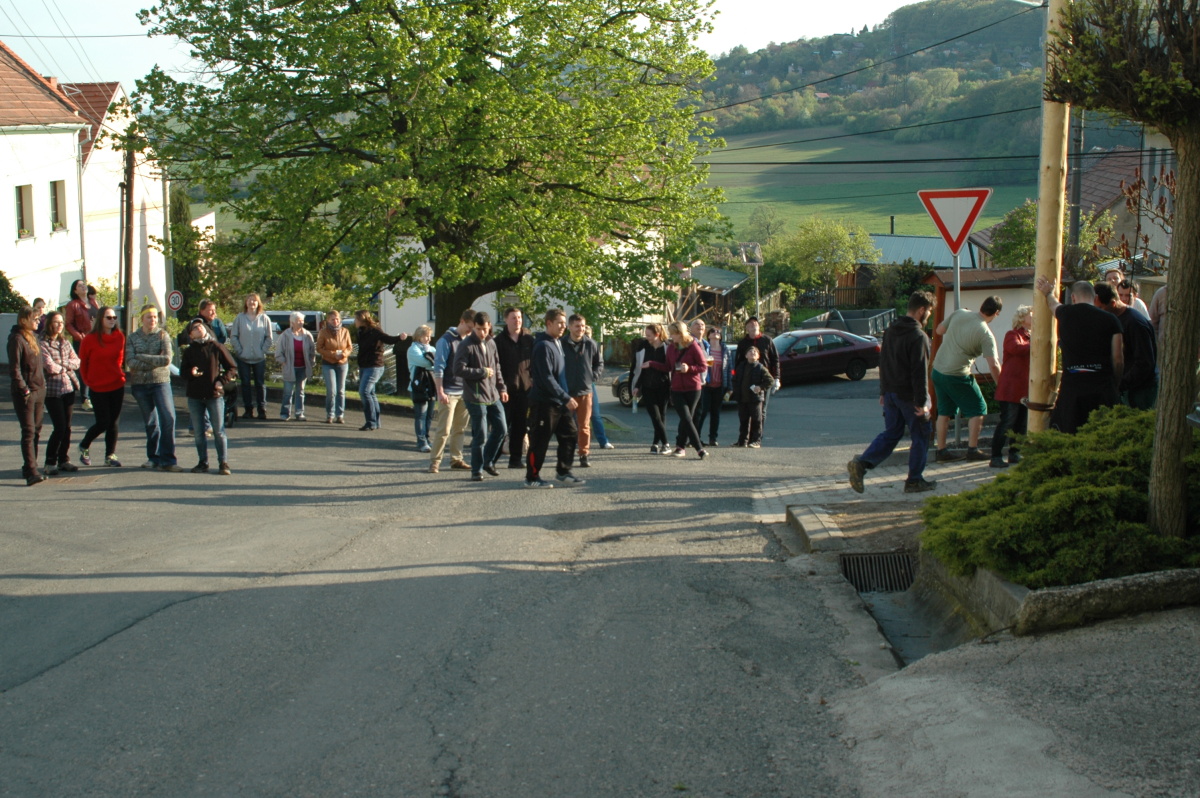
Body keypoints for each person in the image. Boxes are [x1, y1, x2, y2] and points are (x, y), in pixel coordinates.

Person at [847, 291, 938, 494]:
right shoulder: (919, 336)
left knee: (892, 433)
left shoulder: (890, 330)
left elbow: (884, 362)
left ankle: (862, 463)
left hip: (890, 394)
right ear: (921, 310)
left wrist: (883, 390)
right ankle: (914, 480)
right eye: (929, 311)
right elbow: (919, 372)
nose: (929, 315)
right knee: (921, 435)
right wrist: (922, 403)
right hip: (910, 396)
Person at [1035, 277, 1124, 434]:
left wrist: (1048, 293)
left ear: (1073, 298)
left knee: (1071, 435)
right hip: (1103, 387)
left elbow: (1053, 304)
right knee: (1104, 435)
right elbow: (1118, 359)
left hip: (1073, 389)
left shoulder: (1065, 314)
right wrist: (1114, 384)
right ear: (1095, 298)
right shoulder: (1111, 319)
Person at [931, 296, 1003, 462]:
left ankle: (941, 451)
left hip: (938, 370)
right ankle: (972, 450)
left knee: (944, 412)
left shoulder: (960, 313)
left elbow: (939, 331)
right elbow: (994, 365)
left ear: (982, 306)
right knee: (978, 409)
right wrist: (1001, 386)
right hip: (957, 375)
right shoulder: (986, 334)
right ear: (996, 313)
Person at [525, 308, 583, 487]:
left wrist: (564, 397)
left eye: (564, 323)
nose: (563, 326)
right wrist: (565, 397)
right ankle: (532, 477)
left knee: (570, 434)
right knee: (539, 441)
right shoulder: (543, 346)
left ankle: (563, 471)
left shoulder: (557, 342)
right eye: (559, 323)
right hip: (544, 403)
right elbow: (546, 378)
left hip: (560, 402)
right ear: (548, 323)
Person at [125, 304, 181, 471]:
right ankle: (153, 457)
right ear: (142, 319)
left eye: (155, 317)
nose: (153, 320)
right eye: (149, 317)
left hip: (160, 382)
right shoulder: (132, 338)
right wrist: (153, 361)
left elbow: (166, 360)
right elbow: (130, 362)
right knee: (151, 422)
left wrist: (141, 357)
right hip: (140, 385)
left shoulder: (163, 335)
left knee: (168, 418)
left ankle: (168, 460)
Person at [454, 311, 508, 482]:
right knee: (481, 434)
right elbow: (458, 369)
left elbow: (497, 367)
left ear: (489, 326)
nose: (482, 333)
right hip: (475, 396)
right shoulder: (466, 345)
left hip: (492, 394)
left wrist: (502, 388)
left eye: (484, 329)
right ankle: (476, 470)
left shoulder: (491, 342)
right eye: (478, 329)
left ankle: (488, 461)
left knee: (501, 428)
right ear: (474, 327)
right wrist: (481, 372)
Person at [181, 318, 237, 475]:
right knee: (199, 433)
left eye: (201, 326)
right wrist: (191, 372)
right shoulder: (189, 351)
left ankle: (223, 463)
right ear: (190, 335)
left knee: (219, 431)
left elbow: (232, 367)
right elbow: (182, 373)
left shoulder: (216, 347)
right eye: (195, 328)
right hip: (195, 396)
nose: (199, 328)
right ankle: (202, 462)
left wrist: (221, 381)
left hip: (214, 395)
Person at [645, 320, 709, 459]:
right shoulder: (671, 348)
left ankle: (680, 447)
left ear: (680, 333)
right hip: (677, 389)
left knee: (687, 419)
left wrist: (689, 368)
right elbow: (668, 367)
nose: (670, 336)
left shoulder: (693, 346)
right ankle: (699, 449)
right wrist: (652, 364)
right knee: (686, 418)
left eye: (673, 333)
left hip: (693, 388)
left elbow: (703, 366)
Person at [1095, 283, 1158, 410]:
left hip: (1139, 390)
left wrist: (1120, 384)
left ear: (1113, 303)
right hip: (1123, 387)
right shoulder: (1112, 319)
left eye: (1101, 308)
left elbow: (1144, 363)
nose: (1098, 313)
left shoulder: (1135, 323)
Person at [78, 305, 126, 467]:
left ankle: (110, 455)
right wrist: (88, 381)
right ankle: (84, 445)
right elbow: (83, 363)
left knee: (113, 423)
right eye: (109, 317)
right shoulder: (89, 339)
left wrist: (118, 374)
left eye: (114, 317)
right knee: (103, 422)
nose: (112, 320)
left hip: (116, 384)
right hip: (97, 387)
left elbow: (120, 359)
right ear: (101, 319)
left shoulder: (119, 337)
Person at [428, 309, 474, 472]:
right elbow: (439, 367)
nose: (470, 331)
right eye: (469, 327)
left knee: (460, 429)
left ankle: (457, 459)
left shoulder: (469, 340)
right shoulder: (446, 340)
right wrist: (440, 391)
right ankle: (435, 461)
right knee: (444, 429)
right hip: (448, 390)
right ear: (462, 321)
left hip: (464, 391)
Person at [989, 305, 1032, 469]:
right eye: (1031, 315)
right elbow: (1015, 348)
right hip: (1011, 388)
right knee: (1007, 422)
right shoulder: (1012, 335)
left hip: (1024, 388)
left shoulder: (1031, 336)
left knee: (1021, 424)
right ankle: (996, 456)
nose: (1034, 317)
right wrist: (1035, 344)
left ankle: (1015, 453)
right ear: (1022, 319)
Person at [39, 311, 81, 475]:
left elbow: (76, 362)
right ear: (49, 323)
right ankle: (50, 461)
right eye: (56, 322)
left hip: (68, 388)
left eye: (61, 322)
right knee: (60, 426)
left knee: (67, 427)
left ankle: (64, 459)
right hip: (52, 390)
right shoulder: (42, 343)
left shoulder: (65, 342)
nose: (59, 325)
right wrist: (66, 365)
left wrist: (62, 365)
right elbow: (49, 366)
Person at [9, 306, 47, 485]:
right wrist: (24, 389)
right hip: (26, 392)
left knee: (37, 430)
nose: (38, 322)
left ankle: (30, 466)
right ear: (24, 320)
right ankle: (31, 471)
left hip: (39, 388)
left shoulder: (33, 337)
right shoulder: (17, 339)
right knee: (29, 431)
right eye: (34, 319)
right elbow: (15, 368)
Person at [352, 310, 407, 431]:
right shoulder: (360, 331)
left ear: (362, 319)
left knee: (364, 391)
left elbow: (388, 339)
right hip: (364, 365)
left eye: (356, 319)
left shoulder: (375, 330)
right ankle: (375, 422)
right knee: (371, 393)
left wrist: (399, 338)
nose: (355, 321)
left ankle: (371, 422)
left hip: (374, 366)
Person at [494, 307, 534, 469]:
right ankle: (491, 460)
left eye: (519, 317)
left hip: (525, 390)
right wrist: (500, 387)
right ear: (506, 320)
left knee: (520, 426)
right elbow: (495, 366)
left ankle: (515, 459)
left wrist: (532, 380)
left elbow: (535, 362)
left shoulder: (529, 340)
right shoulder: (498, 341)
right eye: (513, 318)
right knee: (501, 427)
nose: (517, 320)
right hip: (505, 391)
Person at [563, 313, 603, 467]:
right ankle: (566, 454)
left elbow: (599, 363)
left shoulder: (590, 344)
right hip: (566, 392)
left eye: (583, 326)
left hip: (585, 391)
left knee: (584, 425)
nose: (581, 329)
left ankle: (583, 454)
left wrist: (593, 376)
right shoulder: (561, 343)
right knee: (566, 425)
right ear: (569, 327)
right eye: (577, 326)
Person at [733, 317, 780, 446]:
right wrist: (736, 382)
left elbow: (775, 359)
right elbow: (737, 363)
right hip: (746, 379)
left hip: (763, 381)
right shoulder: (743, 343)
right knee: (745, 412)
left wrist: (777, 378)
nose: (753, 325)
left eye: (756, 323)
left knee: (760, 412)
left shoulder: (767, 340)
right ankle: (743, 439)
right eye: (750, 324)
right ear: (747, 328)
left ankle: (756, 439)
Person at [229, 293, 273, 419]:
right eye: (249, 300)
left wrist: (262, 351)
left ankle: (262, 409)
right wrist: (240, 350)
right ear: (246, 302)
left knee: (260, 384)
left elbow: (269, 338)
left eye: (254, 300)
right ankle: (248, 409)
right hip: (243, 358)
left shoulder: (264, 318)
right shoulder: (240, 318)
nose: (252, 302)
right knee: (245, 383)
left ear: (258, 303)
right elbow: (233, 336)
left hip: (259, 358)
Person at [630, 322, 670, 454]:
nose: (646, 337)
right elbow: (639, 369)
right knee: (655, 416)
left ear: (657, 334)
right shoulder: (644, 347)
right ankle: (666, 443)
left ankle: (655, 444)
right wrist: (637, 386)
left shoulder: (667, 347)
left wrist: (653, 364)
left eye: (649, 335)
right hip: (647, 387)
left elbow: (669, 367)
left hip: (664, 386)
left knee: (661, 416)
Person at [274, 311, 316, 421]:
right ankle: (285, 413)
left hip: (303, 368)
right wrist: (284, 362)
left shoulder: (307, 335)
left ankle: (299, 413)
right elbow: (278, 352)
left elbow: (312, 351)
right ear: (292, 322)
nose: (301, 322)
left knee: (300, 391)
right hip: (290, 368)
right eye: (298, 321)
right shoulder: (285, 335)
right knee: (288, 392)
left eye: (302, 320)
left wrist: (311, 363)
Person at [733, 345, 774, 450]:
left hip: (755, 399)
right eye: (750, 352)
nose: (753, 353)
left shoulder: (760, 367)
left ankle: (756, 441)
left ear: (758, 356)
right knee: (743, 421)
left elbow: (770, 381)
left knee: (757, 421)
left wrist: (760, 387)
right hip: (742, 398)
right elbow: (735, 379)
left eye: (755, 352)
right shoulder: (741, 366)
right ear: (746, 355)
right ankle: (742, 441)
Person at [698, 326, 731, 447]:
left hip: (719, 386)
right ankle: (696, 437)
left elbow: (729, 369)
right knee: (703, 412)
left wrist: (729, 387)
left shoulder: (725, 350)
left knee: (715, 413)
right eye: (712, 331)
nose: (716, 333)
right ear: (708, 335)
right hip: (706, 385)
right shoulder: (706, 348)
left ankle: (713, 438)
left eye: (718, 331)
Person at [317, 310, 352, 423]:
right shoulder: (323, 332)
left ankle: (340, 414)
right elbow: (319, 348)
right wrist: (332, 354)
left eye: (337, 319)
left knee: (341, 390)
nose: (335, 321)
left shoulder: (345, 331)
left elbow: (349, 347)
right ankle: (330, 414)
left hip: (342, 363)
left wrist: (344, 354)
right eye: (332, 319)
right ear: (328, 320)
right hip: (328, 363)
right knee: (332, 390)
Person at [64, 279, 93, 411]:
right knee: (84, 368)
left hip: (95, 339)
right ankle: (85, 398)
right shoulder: (73, 305)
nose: (83, 287)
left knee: (95, 367)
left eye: (84, 285)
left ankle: (94, 395)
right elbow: (68, 323)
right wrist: (78, 336)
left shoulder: (93, 302)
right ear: (75, 291)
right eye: (80, 286)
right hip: (82, 340)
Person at [408, 325, 437, 452]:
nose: (428, 339)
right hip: (418, 387)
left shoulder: (432, 348)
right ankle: (421, 441)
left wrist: (433, 360)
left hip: (432, 385)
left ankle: (426, 437)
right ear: (419, 336)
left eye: (429, 336)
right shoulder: (413, 349)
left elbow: (439, 363)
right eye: (426, 336)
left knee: (429, 415)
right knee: (421, 415)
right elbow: (425, 362)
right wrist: (433, 360)